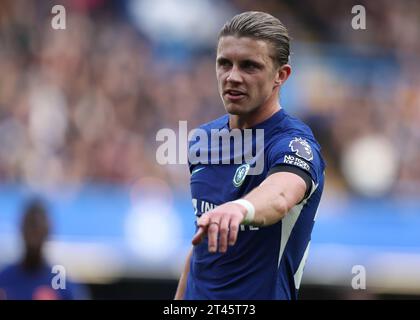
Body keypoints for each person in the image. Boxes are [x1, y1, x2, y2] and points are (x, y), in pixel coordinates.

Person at [174, 11, 325, 300]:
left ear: (281, 75)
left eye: (249, 66)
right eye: (224, 63)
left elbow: (279, 196)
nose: (232, 76)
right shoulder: (202, 141)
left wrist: (241, 209)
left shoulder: (293, 143)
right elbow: (200, 249)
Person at [0, 199, 89, 300]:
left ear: (48, 231)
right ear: (21, 228)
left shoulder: (62, 284)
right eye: (30, 226)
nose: (33, 235)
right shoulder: (4, 279)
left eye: (38, 228)